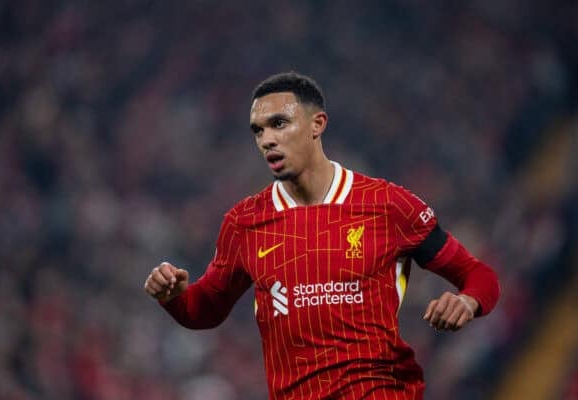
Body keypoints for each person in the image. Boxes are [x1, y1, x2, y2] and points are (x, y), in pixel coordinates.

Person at [144, 72, 500, 399]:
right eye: (258, 130)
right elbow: (205, 310)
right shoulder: (244, 223)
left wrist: (467, 302)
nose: (267, 139)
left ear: (318, 124)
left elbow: (479, 276)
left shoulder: (387, 204)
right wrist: (174, 296)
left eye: (279, 124)